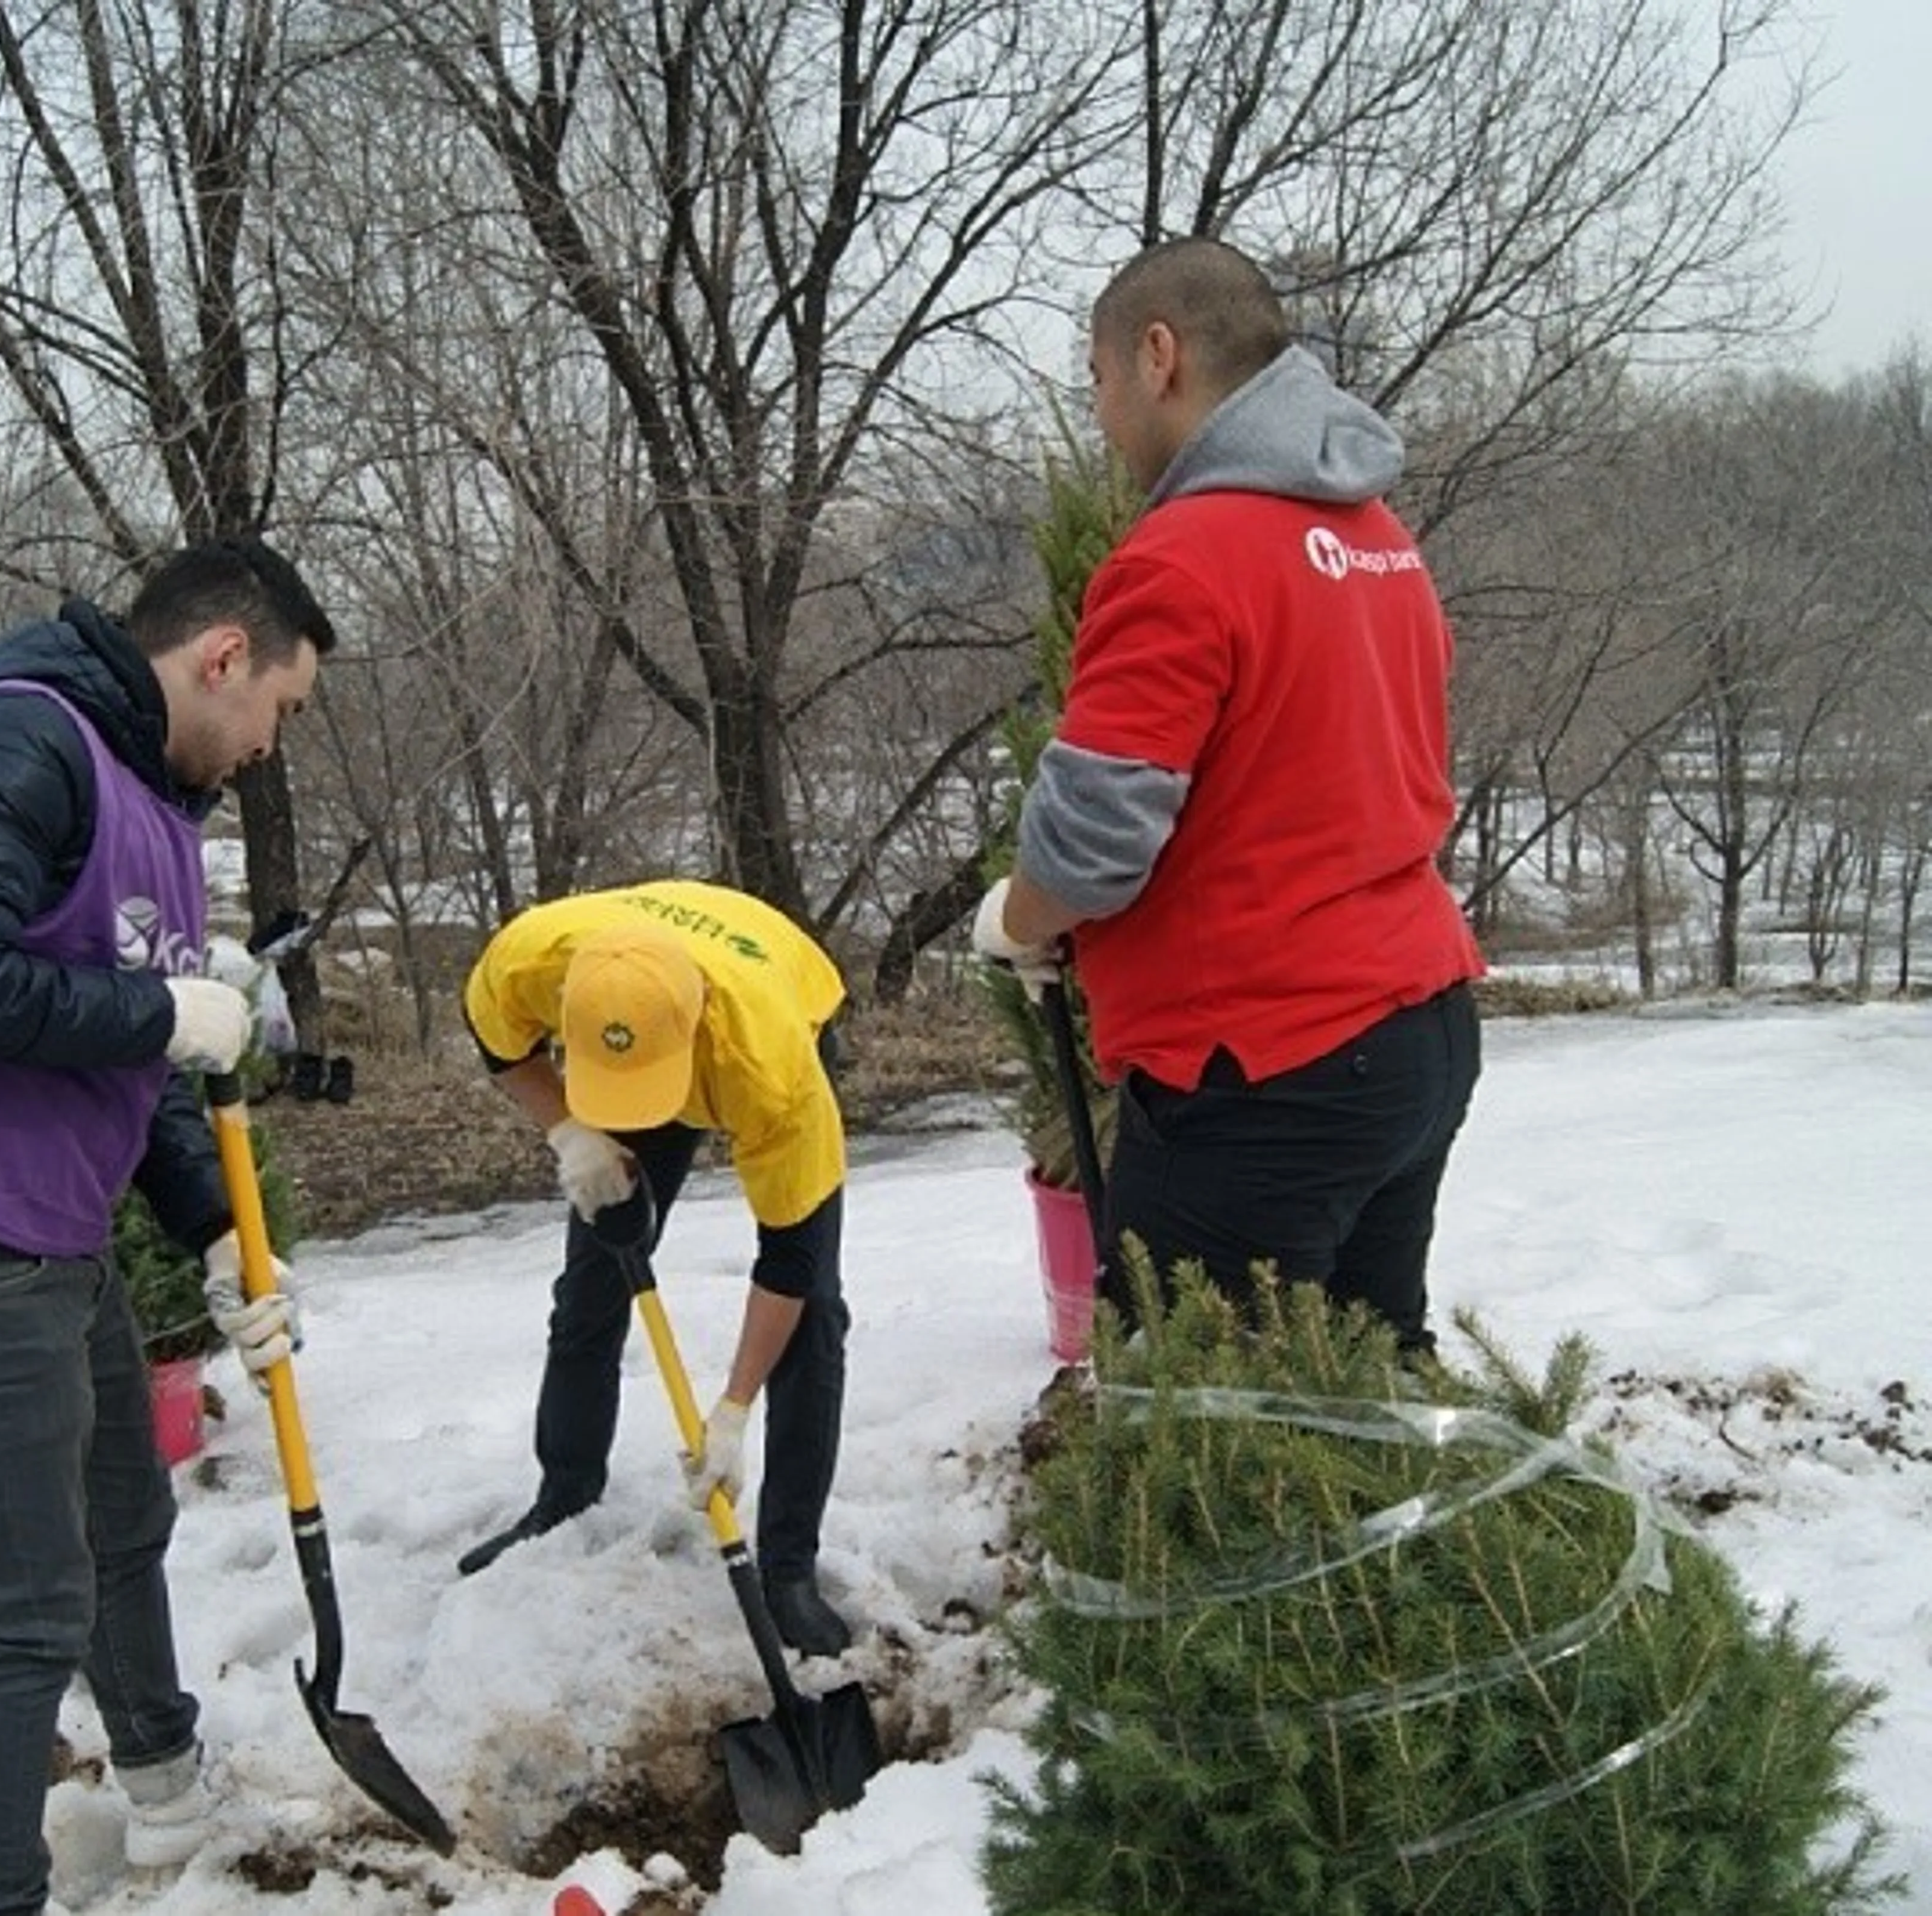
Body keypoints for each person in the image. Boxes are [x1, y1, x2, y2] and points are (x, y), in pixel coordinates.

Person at [0, 540, 333, 1916]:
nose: (271, 746)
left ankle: (160, 1777)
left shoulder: (152, 792)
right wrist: (164, 1015)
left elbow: (113, 1051)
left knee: (121, 1518)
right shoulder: (17, 744)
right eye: (279, 708)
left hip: (47, 1232)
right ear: (222, 659)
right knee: (31, 1612)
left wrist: (218, 1233)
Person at [975, 235, 1484, 1355]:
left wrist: (1019, 916)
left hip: (1268, 1069)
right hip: (1417, 1031)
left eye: (1100, 381)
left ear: (1160, 356)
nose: (1103, 418)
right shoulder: (1375, 537)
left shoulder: (1180, 559)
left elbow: (1091, 845)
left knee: (1200, 1423)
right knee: (1364, 1374)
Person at [457, 880, 857, 1656]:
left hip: (765, 996)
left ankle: (788, 1569)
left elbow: (790, 1261)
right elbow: (499, 1046)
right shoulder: (527, 959)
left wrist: (733, 1411)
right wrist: (572, 1131)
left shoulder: (772, 1070)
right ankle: (565, 1491)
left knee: (815, 1316)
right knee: (591, 1280)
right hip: (640, 1006)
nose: (641, 1117)